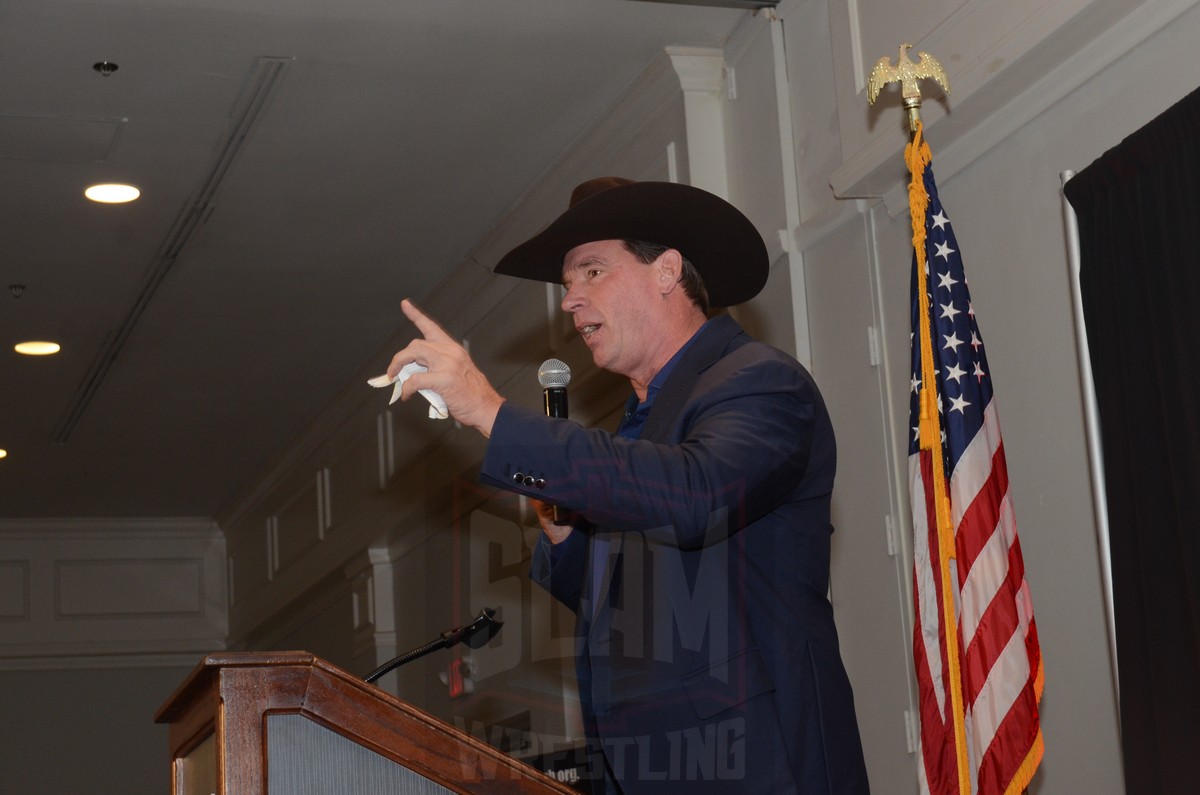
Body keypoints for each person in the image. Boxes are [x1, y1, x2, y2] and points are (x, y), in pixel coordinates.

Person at [385, 177, 869, 793]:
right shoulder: (637, 431)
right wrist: (565, 537)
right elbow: (633, 600)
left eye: (591, 272)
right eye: (567, 285)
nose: (569, 301)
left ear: (667, 271)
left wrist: (489, 411)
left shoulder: (760, 382)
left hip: (757, 764)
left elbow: (696, 498)